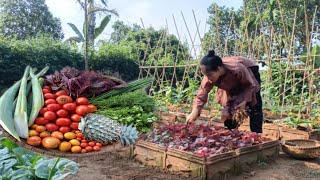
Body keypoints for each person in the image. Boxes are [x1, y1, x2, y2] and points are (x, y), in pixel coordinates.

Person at [186, 50, 263, 133]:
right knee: (230, 106)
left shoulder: (237, 68)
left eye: (209, 75)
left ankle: (256, 134)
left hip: (250, 71)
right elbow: (202, 93)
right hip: (231, 80)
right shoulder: (209, 75)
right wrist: (195, 111)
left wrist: (244, 101)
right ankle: (231, 131)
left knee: (254, 105)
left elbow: (250, 85)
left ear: (218, 69)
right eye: (205, 75)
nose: (207, 79)